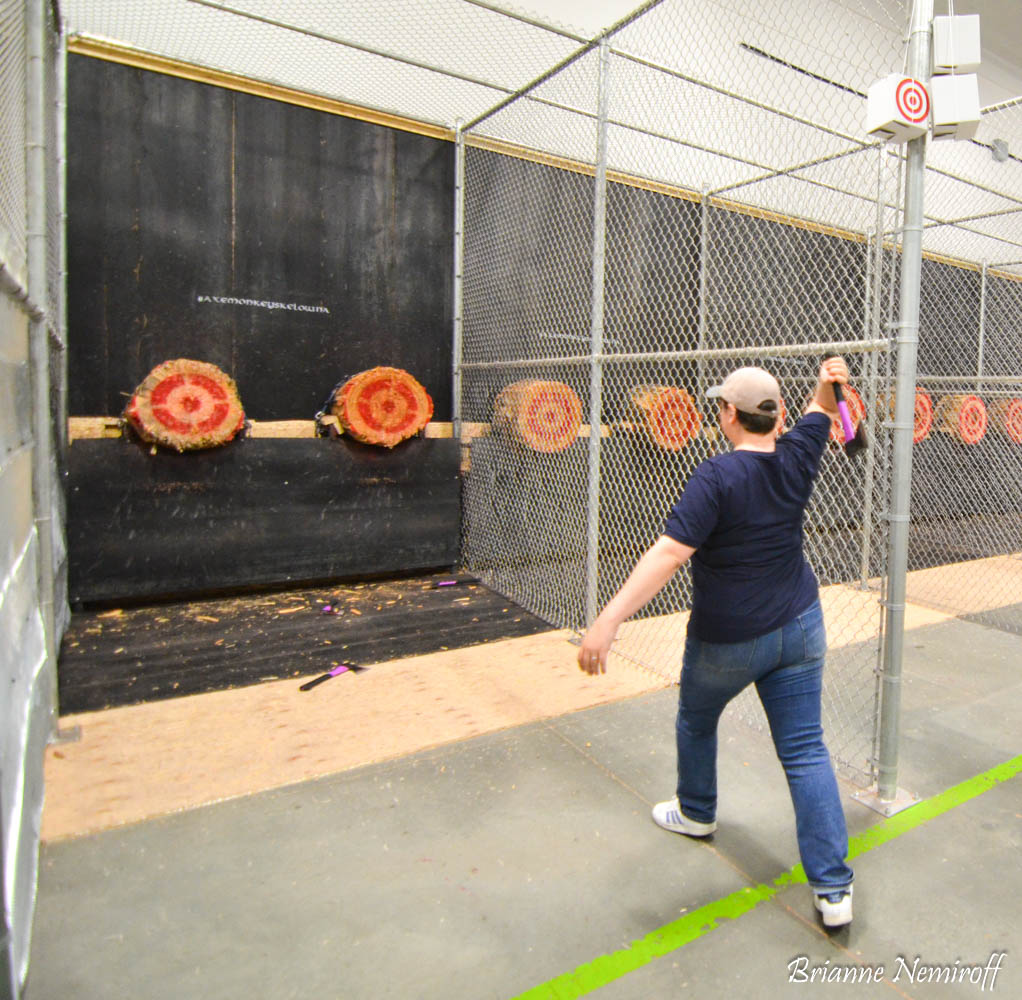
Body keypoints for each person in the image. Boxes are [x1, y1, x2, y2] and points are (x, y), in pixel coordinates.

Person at [577, 357, 855, 928]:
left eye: (721, 406)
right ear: (775, 418)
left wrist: (608, 619)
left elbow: (671, 553)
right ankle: (833, 891)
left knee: (696, 721)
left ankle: (697, 812)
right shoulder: (798, 452)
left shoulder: (716, 476)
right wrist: (831, 382)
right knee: (805, 751)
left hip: (727, 641)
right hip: (801, 627)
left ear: (729, 415)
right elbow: (821, 409)